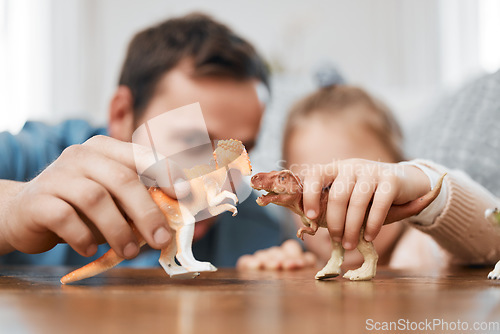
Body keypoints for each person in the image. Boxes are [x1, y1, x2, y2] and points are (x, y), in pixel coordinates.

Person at [0, 13, 290, 268]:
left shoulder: (257, 229)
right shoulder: (26, 159)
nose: (222, 183)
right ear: (122, 114)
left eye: (241, 152)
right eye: (194, 142)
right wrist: (11, 214)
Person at [237, 82, 500, 271]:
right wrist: (272, 272)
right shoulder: (302, 262)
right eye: (310, 188)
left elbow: (492, 240)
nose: (337, 201)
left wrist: (422, 184)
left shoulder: (429, 249)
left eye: (355, 183)